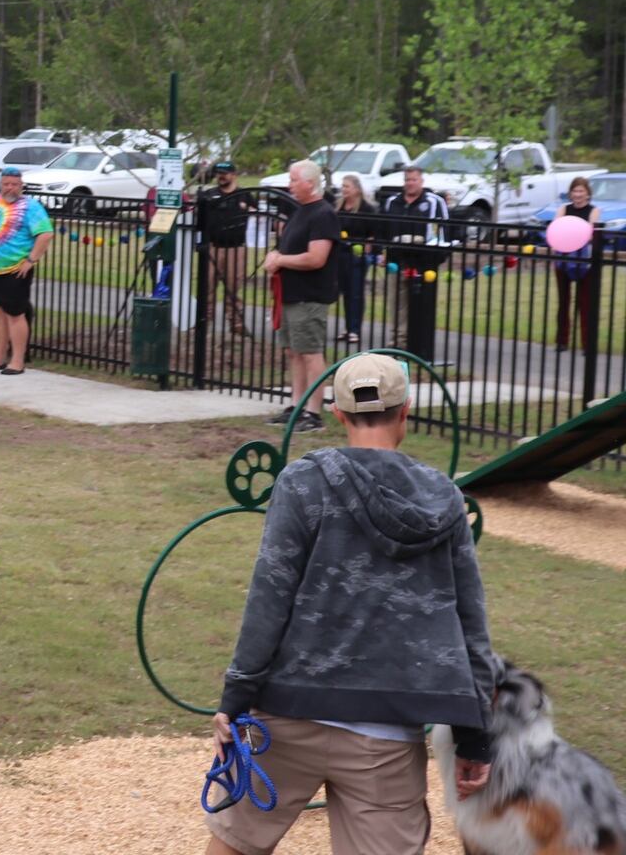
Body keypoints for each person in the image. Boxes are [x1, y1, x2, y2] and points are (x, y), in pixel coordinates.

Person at [205, 352, 497, 855]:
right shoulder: (444, 498)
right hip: (384, 734)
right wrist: (475, 737)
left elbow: (269, 595)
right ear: (406, 409)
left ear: (338, 413)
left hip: (286, 716)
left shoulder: (302, 481)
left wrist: (234, 700)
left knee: (234, 844)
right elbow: (469, 624)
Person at [264, 160, 340, 431]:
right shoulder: (301, 212)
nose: (290, 185)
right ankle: (296, 406)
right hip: (290, 295)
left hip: (310, 297)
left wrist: (281, 260)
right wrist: (275, 256)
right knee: (294, 352)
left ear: (310, 183)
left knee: (310, 352)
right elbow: (287, 247)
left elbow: (316, 258)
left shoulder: (323, 214)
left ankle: (314, 412)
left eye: (294, 179)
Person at [0, 167, 54, 376]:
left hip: (14, 270)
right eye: (6, 184)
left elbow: (45, 234)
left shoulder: (31, 207)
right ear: (1, 185)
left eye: (14, 185)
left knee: (15, 315)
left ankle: (17, 360)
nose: (10, 188)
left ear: (21, 186)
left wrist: (31, 260)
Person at [381, 165, 450, 354]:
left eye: (414, 180)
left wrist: (437, 258)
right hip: (397, 262)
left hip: (423, 263)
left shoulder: (434, 202)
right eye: (407, 180)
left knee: (421, 305)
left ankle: (418, 347)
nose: (410, 183)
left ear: (421, 181)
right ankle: (396, 343)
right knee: (396, 304)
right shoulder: (392, 202)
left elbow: (443, 232)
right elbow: (384, 231)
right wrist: (384, 253)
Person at [197, 162, 256, 338]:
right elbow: (199, 218)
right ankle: (204, 322)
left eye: (224, 173)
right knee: (207, 287)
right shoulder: (210, 195)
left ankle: (236, 323)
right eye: (218, 173)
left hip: (236, 248)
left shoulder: (244, 195)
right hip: (214, 247)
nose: (220, 176)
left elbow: (258, 218)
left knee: (234, 287)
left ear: (234, 174)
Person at [554, 176, 599, 354]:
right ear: (570, 193)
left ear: (588, 193)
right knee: (563, 302)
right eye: (575, 191)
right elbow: (557, 228)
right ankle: (561, 341)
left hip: (585, 263)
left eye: (581, 191)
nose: (578, 194)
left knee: (585, 303)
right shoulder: (564, 209)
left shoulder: (594, 210)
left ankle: (587, 344)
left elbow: (589, 232)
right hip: (564, 260)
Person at [334, 173, 377, 345]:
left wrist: (368, 247)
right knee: (345, 292)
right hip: (340, 254)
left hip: (357, 255)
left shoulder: (367, 208)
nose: (343, 189)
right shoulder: (339, 207)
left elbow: (374, 232)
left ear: (357, 189)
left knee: (356, 293)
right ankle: (347, 327)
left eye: (347, 186)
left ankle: (355, 329)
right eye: (343, 186)